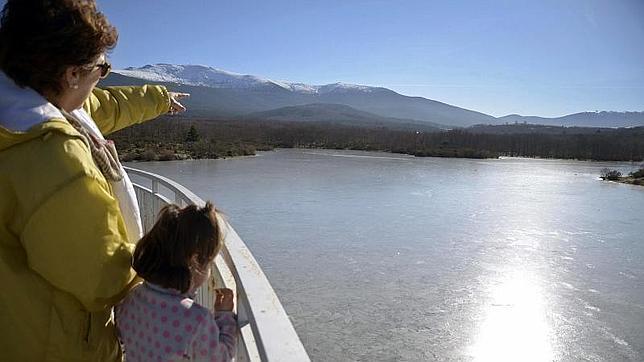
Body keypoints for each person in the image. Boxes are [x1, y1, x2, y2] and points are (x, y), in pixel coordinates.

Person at [0, 0, 188, 360]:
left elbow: (102, 106)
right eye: (102, 68)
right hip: (54, 344)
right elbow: (103, 277)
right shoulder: (53, 159)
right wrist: (169, 276)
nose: (103, 78)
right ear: (71, 74)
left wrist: (159, 99)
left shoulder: (27, 103)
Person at [115, 202, 237, 362]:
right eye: (210, 262)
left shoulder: (132, 299)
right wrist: (224, 317)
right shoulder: (197, 320)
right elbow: (221, 358)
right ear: (195, 261)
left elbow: (122, 335)